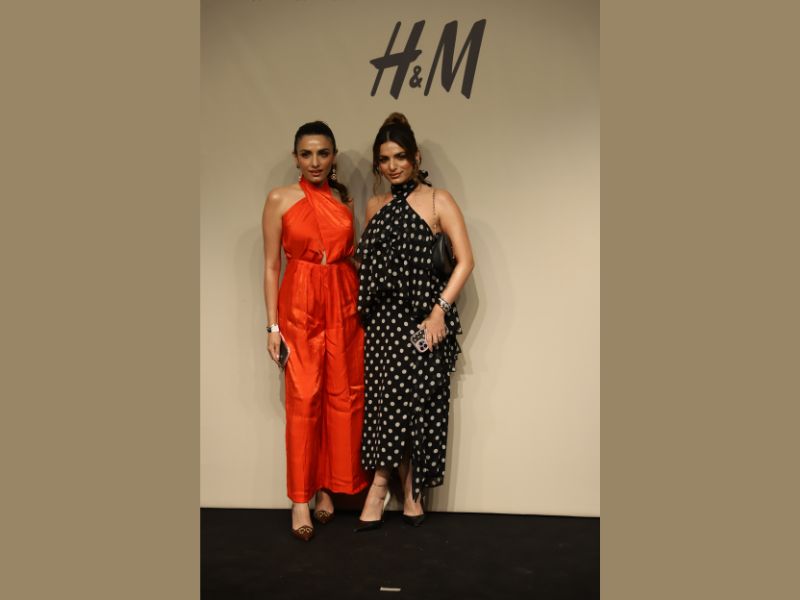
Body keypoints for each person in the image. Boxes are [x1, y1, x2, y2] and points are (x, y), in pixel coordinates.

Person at [355, 113, 475, 530]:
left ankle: (402, 488)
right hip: (383, 325)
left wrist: (439, 311)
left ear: (416, 157)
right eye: (384, 159)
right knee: (386, 404)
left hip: (425, 322)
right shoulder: (375, 206)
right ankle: (388, 485)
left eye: (400, 157)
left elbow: (465, 261)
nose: (392, 166)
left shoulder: (439, 200)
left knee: (419, 406)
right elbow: (370, 267)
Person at [262, 121, 368, 541]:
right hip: (300, 302)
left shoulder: (343, 199)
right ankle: (300, 499)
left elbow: (351, 255)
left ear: (334, 156)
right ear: (295, 158)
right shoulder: (279, 199)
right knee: (304, 398)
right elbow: (271, 265)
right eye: (306, 154)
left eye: (323, 153)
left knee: (341, 395)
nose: (315, 162)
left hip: (342, 299)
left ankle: (328, 487)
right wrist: (272, 325)